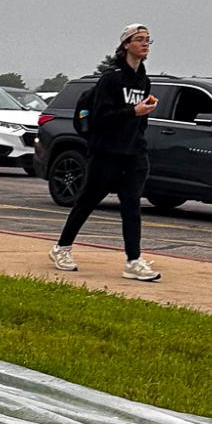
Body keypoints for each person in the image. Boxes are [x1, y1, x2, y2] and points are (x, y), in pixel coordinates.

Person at [48, 26, 161, 281]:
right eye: (139, 40)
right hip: (106, 152)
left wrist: (141, 120)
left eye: (147, 40)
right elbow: (100, 119)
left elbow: (138, 119)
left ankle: (133, 261)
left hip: (133, 154)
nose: (145, 44)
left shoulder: (144, 80)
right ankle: (61, 248)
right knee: (87, 201)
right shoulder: (111, 79)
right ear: (126, 45)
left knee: (132, 206)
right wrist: (134, 112)